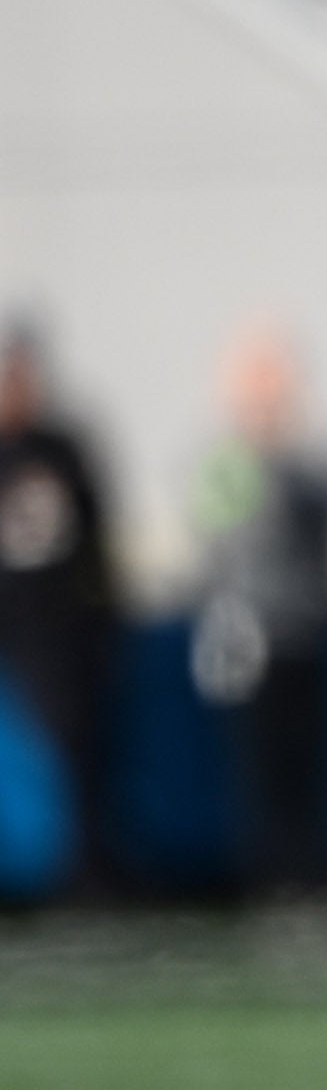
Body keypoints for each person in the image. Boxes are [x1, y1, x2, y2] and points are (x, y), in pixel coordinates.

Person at [183, 325, 327, 899]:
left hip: (303, 628)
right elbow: (223, 546)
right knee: (264, 762)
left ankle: (311, 869)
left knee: (312, 760)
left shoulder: (304, 459)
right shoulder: (232, 460)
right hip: (252, 633)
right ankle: (274, 874)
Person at [0, 323, 120, 896]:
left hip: (63, 625)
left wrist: (101, 613)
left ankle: (84, 868)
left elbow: (96, 538)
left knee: (79, 749)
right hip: (18, 624)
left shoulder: (61, 447)